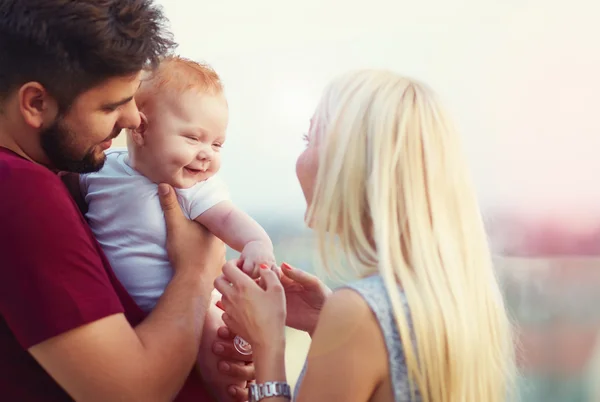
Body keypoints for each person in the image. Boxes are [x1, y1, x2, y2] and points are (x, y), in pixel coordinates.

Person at [0, 1, 253, 401]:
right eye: (112, 105)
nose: (135, 120)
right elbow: (130, 393)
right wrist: (197, 272)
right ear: (35, 103)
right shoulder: (21, 188)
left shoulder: (57, 178)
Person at [214, 70, 518, 401]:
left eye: (309, 139)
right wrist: (323, 324)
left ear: (351, 162)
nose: (299, 160)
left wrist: (266, 345)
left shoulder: (359, 313)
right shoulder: (454, 298)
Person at [75, 55, 275, 400]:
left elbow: (227, 218)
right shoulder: (101, 170)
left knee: (218, 345)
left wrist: (256, 242)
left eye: (216, 144)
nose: (206, 155)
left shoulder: (192, 189)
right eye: (193, 138)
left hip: (191, 307)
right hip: (129, 319)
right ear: (140, 129)